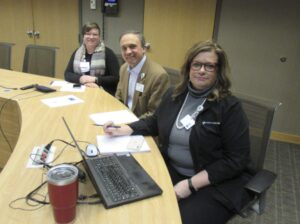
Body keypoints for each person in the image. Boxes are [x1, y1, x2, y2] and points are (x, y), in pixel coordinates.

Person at [104, 41, 253, 224]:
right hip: (172, 169)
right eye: (197, 64)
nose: (202, 70)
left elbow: (236, 160)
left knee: (174, 220)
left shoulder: (229, 107)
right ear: (189, 67)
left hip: (213, 182)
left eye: (209, 66)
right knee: (134, 202)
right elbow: (155, 122)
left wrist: (190, 184)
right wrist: (124, 129)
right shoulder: (174, 94)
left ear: (218, 71)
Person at [115, 30, 169, 118]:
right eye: (124, 48)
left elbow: (154, 113)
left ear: (144, 48)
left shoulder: (159, 75)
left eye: (132, 46)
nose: (128, 52)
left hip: (142, 126)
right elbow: (119, 96)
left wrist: (130, 125)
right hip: (123, 119)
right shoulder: (123, 68)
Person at [64, 22, 119, 95]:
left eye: (95, 34)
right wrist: (81, 79)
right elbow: (67, 74)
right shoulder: (77, 53)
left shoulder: (108, 53)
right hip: (81, 90)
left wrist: (96, 80)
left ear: (99, 37)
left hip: (102, 92)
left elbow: (116, 78)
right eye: (88, 34)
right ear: (83, 36)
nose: (91, 37)